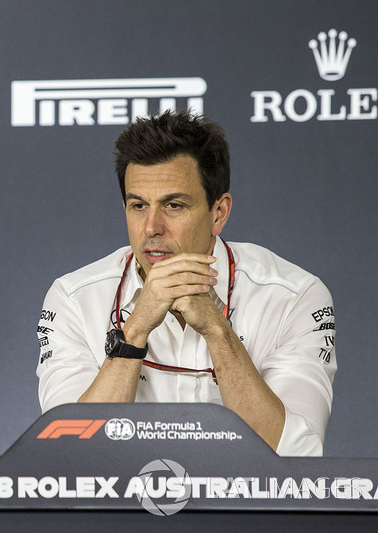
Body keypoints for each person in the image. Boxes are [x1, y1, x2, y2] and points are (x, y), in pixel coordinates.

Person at [36, 110, 336, 456]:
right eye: (138, 206)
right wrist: (134, 331)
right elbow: (68, 457)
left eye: (174, 205)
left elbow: (295, 457)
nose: (151, 227)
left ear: (218, 212)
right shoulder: (73, 298)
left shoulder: (295, 297)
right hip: (120, 509)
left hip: (244, 508)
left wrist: (215, 328)